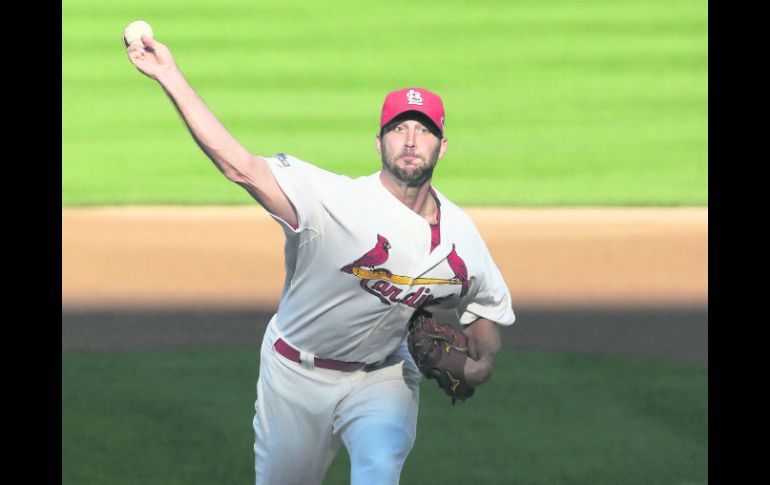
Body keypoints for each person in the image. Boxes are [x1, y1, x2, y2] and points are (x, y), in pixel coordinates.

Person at [125, 34, 515, 485]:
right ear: (379, 141)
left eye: (424, 130)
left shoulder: (462, 238)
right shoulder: (332, 202)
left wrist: (478, 367)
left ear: (442, 146)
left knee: (379, 470)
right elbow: (240, 166)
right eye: (399, 128)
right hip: (295, 374)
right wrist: (168, 74)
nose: (411, 140)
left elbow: (485, 305)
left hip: (382, 376)